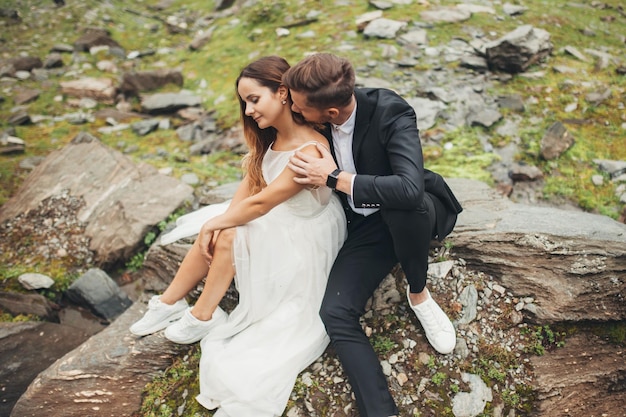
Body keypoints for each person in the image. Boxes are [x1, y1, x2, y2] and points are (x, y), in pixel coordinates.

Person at [129, 56, 346, 417]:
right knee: (222, 224)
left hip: (307, 235)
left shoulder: (309, 149)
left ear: (281, 93)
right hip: (281, 221)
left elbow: (261, 204)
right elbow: (247, 193)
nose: (247, 111)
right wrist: (217, 222)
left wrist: (218, 226)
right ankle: (168, 304)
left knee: (229, 231)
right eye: (244, 102)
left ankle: (203, 317)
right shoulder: (270, 141)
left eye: (253, 100)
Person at [282, 52, 463, 417]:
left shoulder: (390, 111)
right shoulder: (312, 118)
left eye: (300, 108)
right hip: (364, 226)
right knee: (334, 311)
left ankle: (419, 293)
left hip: (415, 213)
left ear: (330, 113)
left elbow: (410, 189)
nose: (296, 113)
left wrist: (334, 178)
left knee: (402, 205)